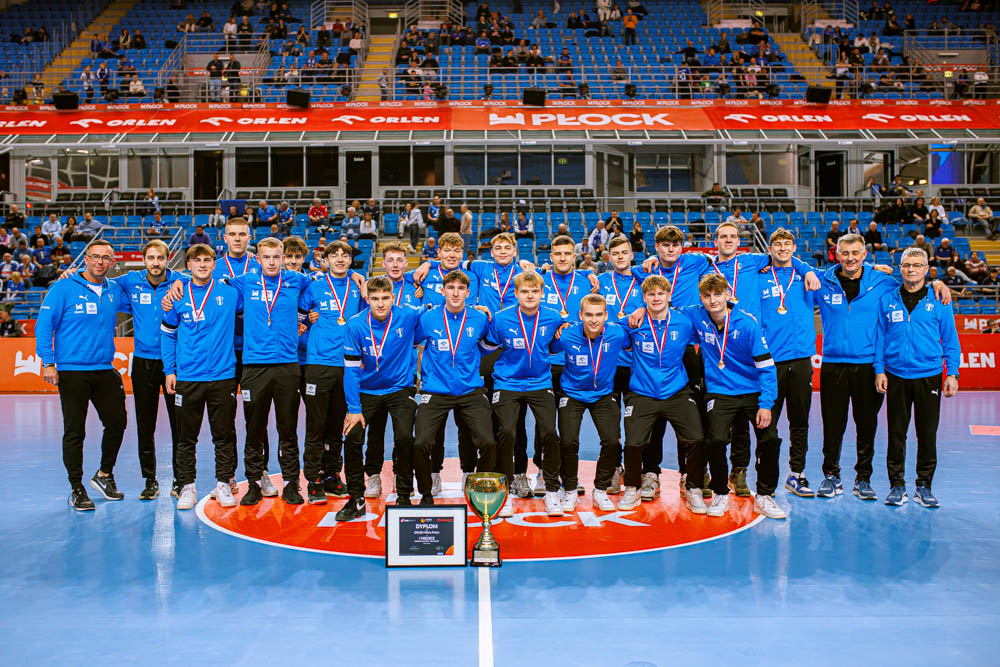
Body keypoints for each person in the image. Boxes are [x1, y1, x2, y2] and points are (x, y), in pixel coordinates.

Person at [815, 233, 950, 501]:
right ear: (837, 255)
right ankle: (831, 476)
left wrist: (937, 282)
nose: (850, 258)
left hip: (867, 366)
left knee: (866, 427)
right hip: (833, 364)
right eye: (845, 253)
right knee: (832, 426)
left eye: (856, 253)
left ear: (864, 255)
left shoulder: (883, 282)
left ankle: (863, 479)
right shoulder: (823, 281)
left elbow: (913, 283)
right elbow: (796, 271)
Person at [36, 240, 127, 511]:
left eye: (106, 258)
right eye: (95, 257)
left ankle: (104, 475)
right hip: (72, 370)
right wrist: (48, 362)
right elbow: (44, 325)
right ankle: (76, 488)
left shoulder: (114, 290)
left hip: (104, 368)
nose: (100, 262)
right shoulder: (63, 287)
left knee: (117, 423)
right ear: (85, 259)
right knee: (75, 431)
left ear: (112, 262)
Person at [686, 274, 785, 519]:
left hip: (752, 391)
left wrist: (766, 404)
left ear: (728, 295)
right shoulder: (697, 316)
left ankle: (764, 495)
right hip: (719, 392)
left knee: (770, 438)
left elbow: (767, 367)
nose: (713, 300)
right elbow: (665, 311)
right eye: (707, 296)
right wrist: (641, 310)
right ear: (701, 298)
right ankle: (720, 492)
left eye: (718, 294)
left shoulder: (747, 324)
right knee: (716, 440)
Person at [874, 247, 960, 508]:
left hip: (929, 376)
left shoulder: (939, 300)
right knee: (896, 434)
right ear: (900, 268)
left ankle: (924, 486)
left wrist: (952, 373)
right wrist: (879, 369)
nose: (911, 269)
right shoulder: (888, 299)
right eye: (906, 265)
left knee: (927, 433)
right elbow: (880, 338)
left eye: (916, 265)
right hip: (896, 375)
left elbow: (950, 340)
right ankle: (897, 486)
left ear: (926, 269)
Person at [617, 275, 708, 512]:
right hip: (642, 392)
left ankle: (694, 488)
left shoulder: (684, 322)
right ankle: (632, 488)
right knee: (634, 443)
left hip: (676, 391)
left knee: (696, 438)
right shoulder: (634, 322)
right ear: (644, 298)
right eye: (651, 294)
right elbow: (609, 329)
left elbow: (710, 316)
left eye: (660, 294)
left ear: (669, 296)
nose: (656, 298)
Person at [160, 244, 240, 510]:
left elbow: (258, 284)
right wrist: (169, 370)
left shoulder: (230, 292)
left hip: (222, 376)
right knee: (186, 437)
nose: (202, 265)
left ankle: (223, 484)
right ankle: (187, 486)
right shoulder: (177, 295)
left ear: (214, 264)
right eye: (197, 261)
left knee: (223, 435)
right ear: (189, 265)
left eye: (207, 260)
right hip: (188, 377)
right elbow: (167, 335)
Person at [337, 276, 422, 520]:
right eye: (375, 299)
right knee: (352, 436)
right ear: (367, 299)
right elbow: (351, 371)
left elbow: (439, 310)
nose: (381, 303)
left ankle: (404, 495)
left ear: (393, 298)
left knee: (405, 437)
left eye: (385, 298)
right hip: (367, 390)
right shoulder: (355, 325)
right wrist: (354, 408)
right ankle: (356, 498)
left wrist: (481, 311)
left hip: (399, 388)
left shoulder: (408, 316)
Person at [483, 271, 566, 517]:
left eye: (534, 291)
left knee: (549, 432)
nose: (530, 296)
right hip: (507, 382)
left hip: (540, 382)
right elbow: (486, 346)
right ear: (516, 294)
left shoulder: (553, 318)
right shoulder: (501, 318)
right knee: (506, 433)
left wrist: (565, 327)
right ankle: (506, 492)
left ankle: (552, 491)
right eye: (525, 291)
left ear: (542, 294)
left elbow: (555, 346)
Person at [412, 270, 496, 501]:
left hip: (470, 389)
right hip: (436, 390)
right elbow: (414, 342)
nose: (455, 293)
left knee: (488, 442)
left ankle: (479, 486)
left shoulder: (479, 318)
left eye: (460, 289)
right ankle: (426, 491)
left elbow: (487, 346)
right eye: (451, 288)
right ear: (443, 291)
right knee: (421, 442)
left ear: (468, 293)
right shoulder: (428, 318)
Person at [108, 240, 181, 500]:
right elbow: (99, 280)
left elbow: (205, 279)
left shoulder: (180, 281)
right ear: (144, 259)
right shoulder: (131, 280)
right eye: (151, 258)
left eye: (160, 258)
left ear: (168, 259)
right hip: (143, 362)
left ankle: (180, 479)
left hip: (175, 363)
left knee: (179, 424)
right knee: (145, 424)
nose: (155, 263)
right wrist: (73, 274)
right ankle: (150, 480)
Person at [298, 241, 365, 503]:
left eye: (344, 255)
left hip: (347, 365)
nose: (339, 259)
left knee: (337, 425)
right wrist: (308, 320)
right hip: (318, 363)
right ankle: (313, 479)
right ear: (325, 260)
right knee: (316, 425)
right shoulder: (314, 286)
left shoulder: (358, 287)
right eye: (334, 255)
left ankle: (332, 475)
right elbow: (299, 316)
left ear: (350, 260)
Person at [759, 229, 818, 497]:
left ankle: (797, 474)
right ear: (769, 249)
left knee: (800, 421)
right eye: (777, 244)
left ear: (794, 248)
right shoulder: (759, 278)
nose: (782, 248)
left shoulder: (806, 277)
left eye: (787, 244)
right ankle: (765, 477)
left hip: (802, 360)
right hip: (770, 363)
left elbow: (842, 273)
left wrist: (873, 267)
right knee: (767, 424)